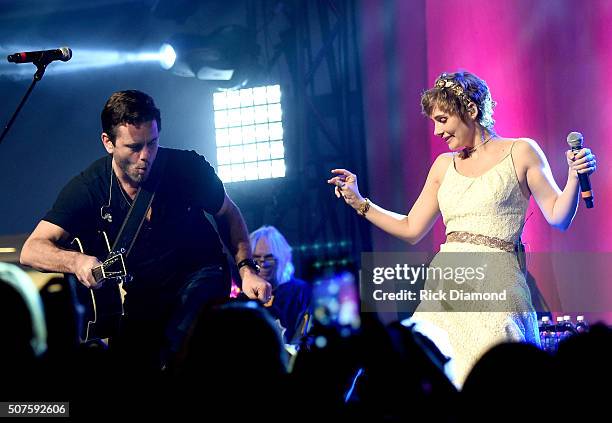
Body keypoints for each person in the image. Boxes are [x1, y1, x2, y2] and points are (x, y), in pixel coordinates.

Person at [327, 71, 597, 386]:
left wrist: (575, 179)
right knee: (430, 375)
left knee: (494, 380)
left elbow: (557, 216)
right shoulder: (443, 166)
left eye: (442, 120)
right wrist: (361, 202)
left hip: (498, 285)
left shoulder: (521, 151)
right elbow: (413, 227)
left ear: (470, 110)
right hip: (446, 288)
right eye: (434, 123)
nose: (438, 131)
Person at [20, 90, 271, 372]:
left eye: (152, 143)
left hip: (202, 273)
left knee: (184, 340)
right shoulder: (90, 188)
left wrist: (247, 269)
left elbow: (228, 214)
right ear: (108, 142)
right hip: (145, 293)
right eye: (134, 147)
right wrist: (75, 261)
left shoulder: (187, 168)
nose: (145, 156)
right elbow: (32, 250)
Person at [250, 225, 312, 344]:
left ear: (282, 258)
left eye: (269, 258)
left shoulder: (300, 292)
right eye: (256, 258)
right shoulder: (245, 297)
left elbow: (304, 336)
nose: (263, 264)